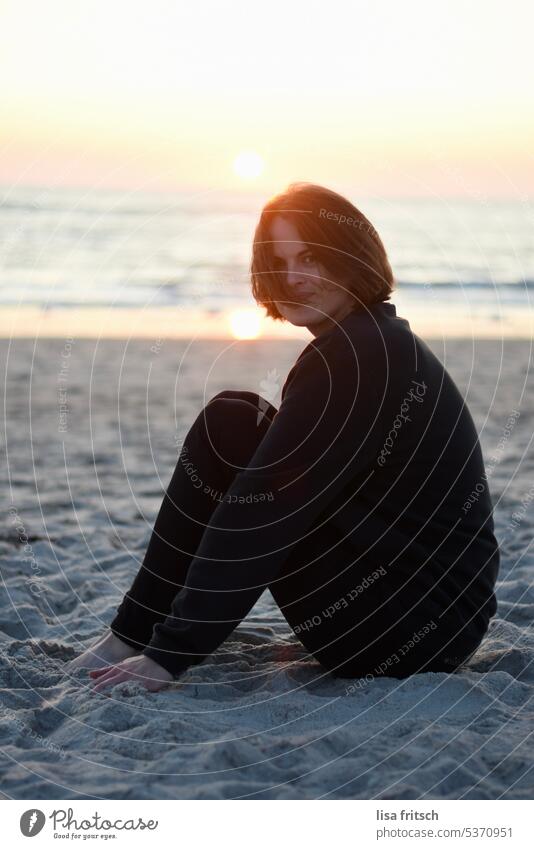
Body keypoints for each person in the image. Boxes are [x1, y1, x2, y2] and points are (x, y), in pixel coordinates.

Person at [66, 182, 500, 694]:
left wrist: (169, 655)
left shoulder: (358, 356)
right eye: (278, 260)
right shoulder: (373, 341)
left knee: (230, 428)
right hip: (434, 617)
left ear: (353, 257)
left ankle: (133, 637)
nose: (292, 279)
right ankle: (135, 633)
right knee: (237, 423)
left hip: (405, 627)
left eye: (311, 257)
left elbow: (261, 513)